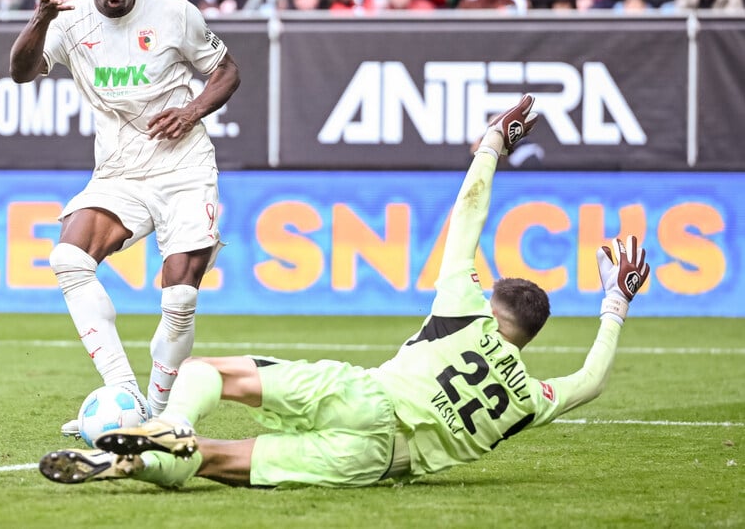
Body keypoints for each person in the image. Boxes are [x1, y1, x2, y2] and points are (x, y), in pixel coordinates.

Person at [37, 95, 653, 489]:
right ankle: (142, 462)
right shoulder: (531, 398)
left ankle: (165, 424)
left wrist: (493, 145)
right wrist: (615, 304)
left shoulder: (467, 312)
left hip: (365, 396)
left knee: (211, 373)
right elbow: (592, 380)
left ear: (492, 302)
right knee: (222, 458)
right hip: (381, 464)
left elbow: (468, 215)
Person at [9, 0, 241, 433]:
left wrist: (192, 110)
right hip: (118, 172)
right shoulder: (69, 23)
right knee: (68, 258)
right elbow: (22, 71)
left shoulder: (175, 14)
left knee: (179, 300)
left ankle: (156, 416)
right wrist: (40, 20)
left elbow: (226, 71)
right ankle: (124, 392)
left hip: (183, 167)